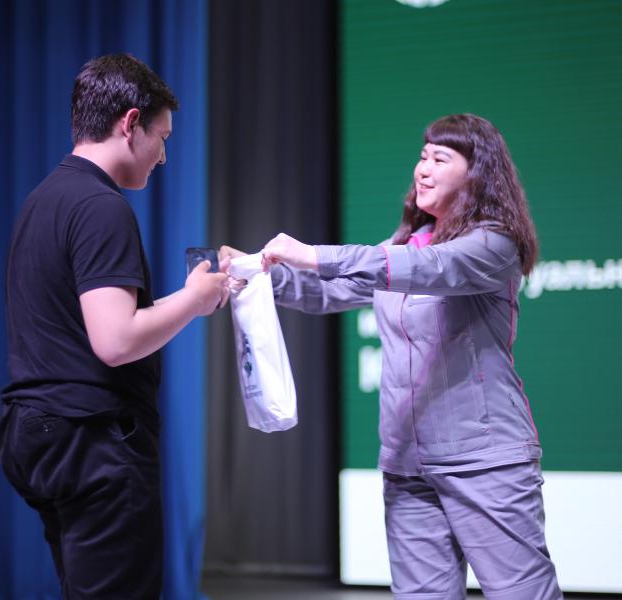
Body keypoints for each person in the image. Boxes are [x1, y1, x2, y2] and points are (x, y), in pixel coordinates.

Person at [223, 114, 563, 599]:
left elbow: (429, 268)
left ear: (477, 174)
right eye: (422, 157)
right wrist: (252, 274)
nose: (423, 169)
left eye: (440, 159)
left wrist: (315, 254)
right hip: (407, 466)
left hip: (483, 462)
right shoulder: (405, 243)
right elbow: (328, 292)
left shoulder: (493, 243)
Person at [0, 53, 229, 599]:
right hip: (91, 441)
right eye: (162, 138)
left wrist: (190, 299)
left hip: (36, 432)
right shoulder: (101, 207)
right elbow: (116, 340)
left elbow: (85, 327)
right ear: (130, 124)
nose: (164, 156)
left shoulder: (43, 199)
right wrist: (193, 300)